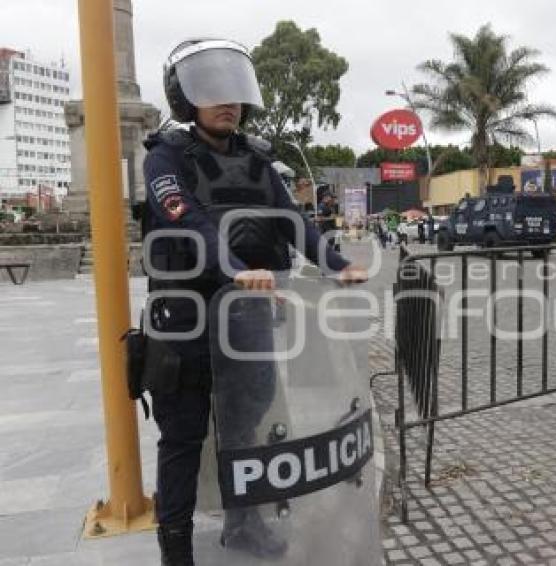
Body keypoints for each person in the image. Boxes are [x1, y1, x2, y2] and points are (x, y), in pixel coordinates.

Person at [142, 38, 365, 566]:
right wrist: (237, 271)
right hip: (186, 322)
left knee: (247, 426)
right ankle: (174, 548)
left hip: (247, 320)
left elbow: (292, 220)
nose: (228, 103)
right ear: (184, 97)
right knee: (183, 436)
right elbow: (189, 220)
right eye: (213, 92)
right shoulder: (165, 158)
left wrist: (337, 265)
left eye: (234, 92)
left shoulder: (258, 160)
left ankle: (245, 525)